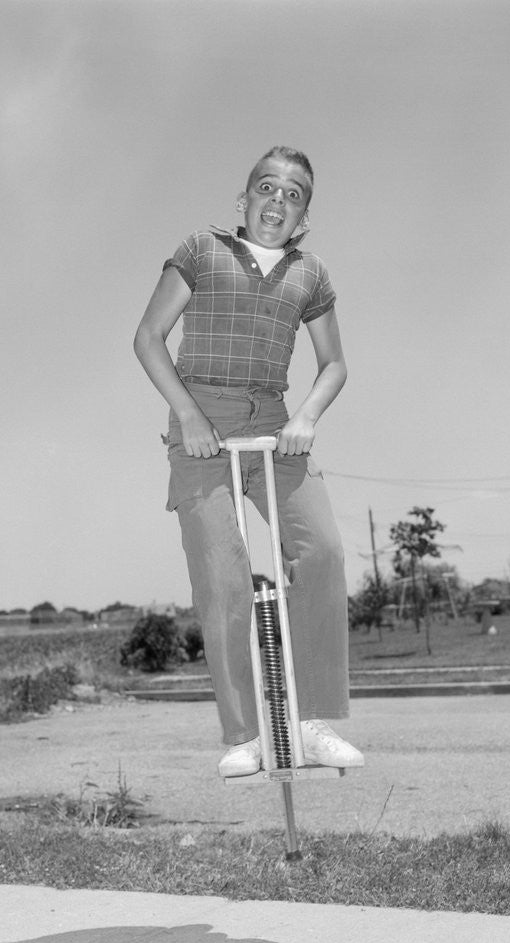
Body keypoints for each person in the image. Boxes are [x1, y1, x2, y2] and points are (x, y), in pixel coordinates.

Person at [133, 146, 363, 778]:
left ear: (303, 215)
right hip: (201, 421)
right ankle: (245, 734)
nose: (277, 201)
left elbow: (334, 364)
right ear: (244, 198)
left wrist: (306, 416)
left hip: (277, 425)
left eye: (293, 194)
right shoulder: (201, 251)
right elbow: (148, 337)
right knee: (223, 574)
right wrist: (188, 415)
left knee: (322, 552)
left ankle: (310, 722)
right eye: (267, 187)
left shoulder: (310, 273)